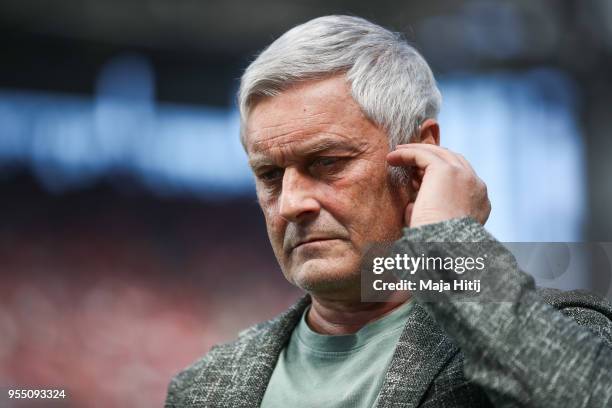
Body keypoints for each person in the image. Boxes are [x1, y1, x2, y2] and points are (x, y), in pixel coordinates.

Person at [165, 15, 612, 407]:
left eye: (327, 163)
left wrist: (450, 244)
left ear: (419, 156)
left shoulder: (565, 328)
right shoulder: (204, 388)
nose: (291, 203)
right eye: (269, 175)